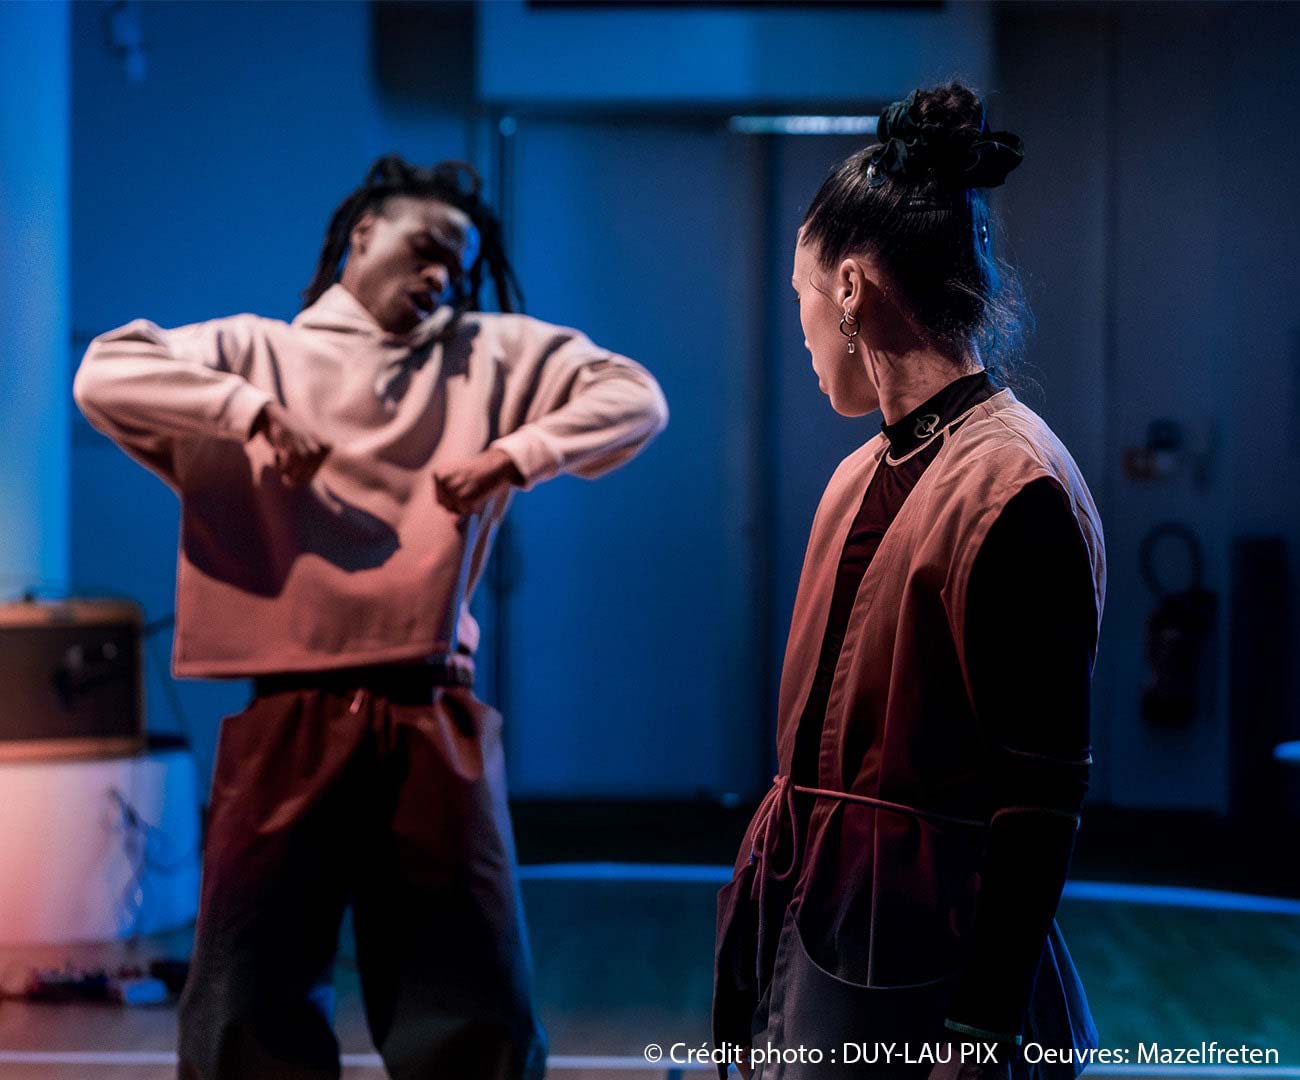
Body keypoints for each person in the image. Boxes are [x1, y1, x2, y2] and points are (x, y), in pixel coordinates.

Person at [74, 154, 669, 1080]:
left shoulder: (487, 351)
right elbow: (103, 375)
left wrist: (519, 453)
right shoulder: (253, 351)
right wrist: (251, 414)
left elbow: (635, 395)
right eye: (428, 247)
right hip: (288, 707)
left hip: (428, 699)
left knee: (471, 995)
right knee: (248, 996)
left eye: (460, 265)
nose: (443, 276)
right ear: (362, 236)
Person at [712, 85, 1104, 1080]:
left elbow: (1040, 793)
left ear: (848, 287)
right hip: (831, 919)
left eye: (798, 291)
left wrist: (979, 1028)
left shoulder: (1012, 483)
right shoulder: (864, 471)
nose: (799, 330)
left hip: (929, 952)